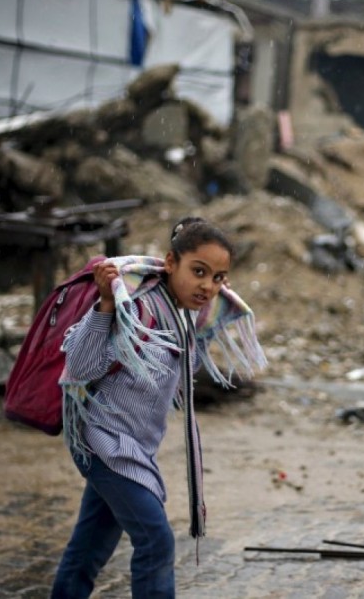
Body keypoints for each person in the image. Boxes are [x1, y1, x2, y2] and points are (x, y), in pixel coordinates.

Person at [51, 216, 266, 599]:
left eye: (217, 278)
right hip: (104, 443)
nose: (207, 285)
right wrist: (103, 306)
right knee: (155, 541)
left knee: (88, 551)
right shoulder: (133, 307)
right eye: (198, 271)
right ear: (170, 263)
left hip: (133, 447)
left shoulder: (180, 314)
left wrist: (203, 315)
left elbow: (182, 369)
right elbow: (79, 369)